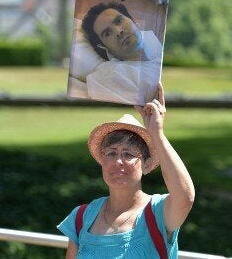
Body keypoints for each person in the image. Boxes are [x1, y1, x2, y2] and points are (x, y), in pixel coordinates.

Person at [58, 83, 195, 258]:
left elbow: (185, 197)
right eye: (111, 153)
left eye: (129, 154)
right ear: (102, 161)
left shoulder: (158, 212)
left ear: (146, 165)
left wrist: (157, 133)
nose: (118, 161)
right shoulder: (81, 217)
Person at [78, 1, 163, 105]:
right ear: (104, 47)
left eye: (118, 21)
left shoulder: (160, 46)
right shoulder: (111, 76)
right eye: (107, 33)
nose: (118, 32)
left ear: (134, 21)